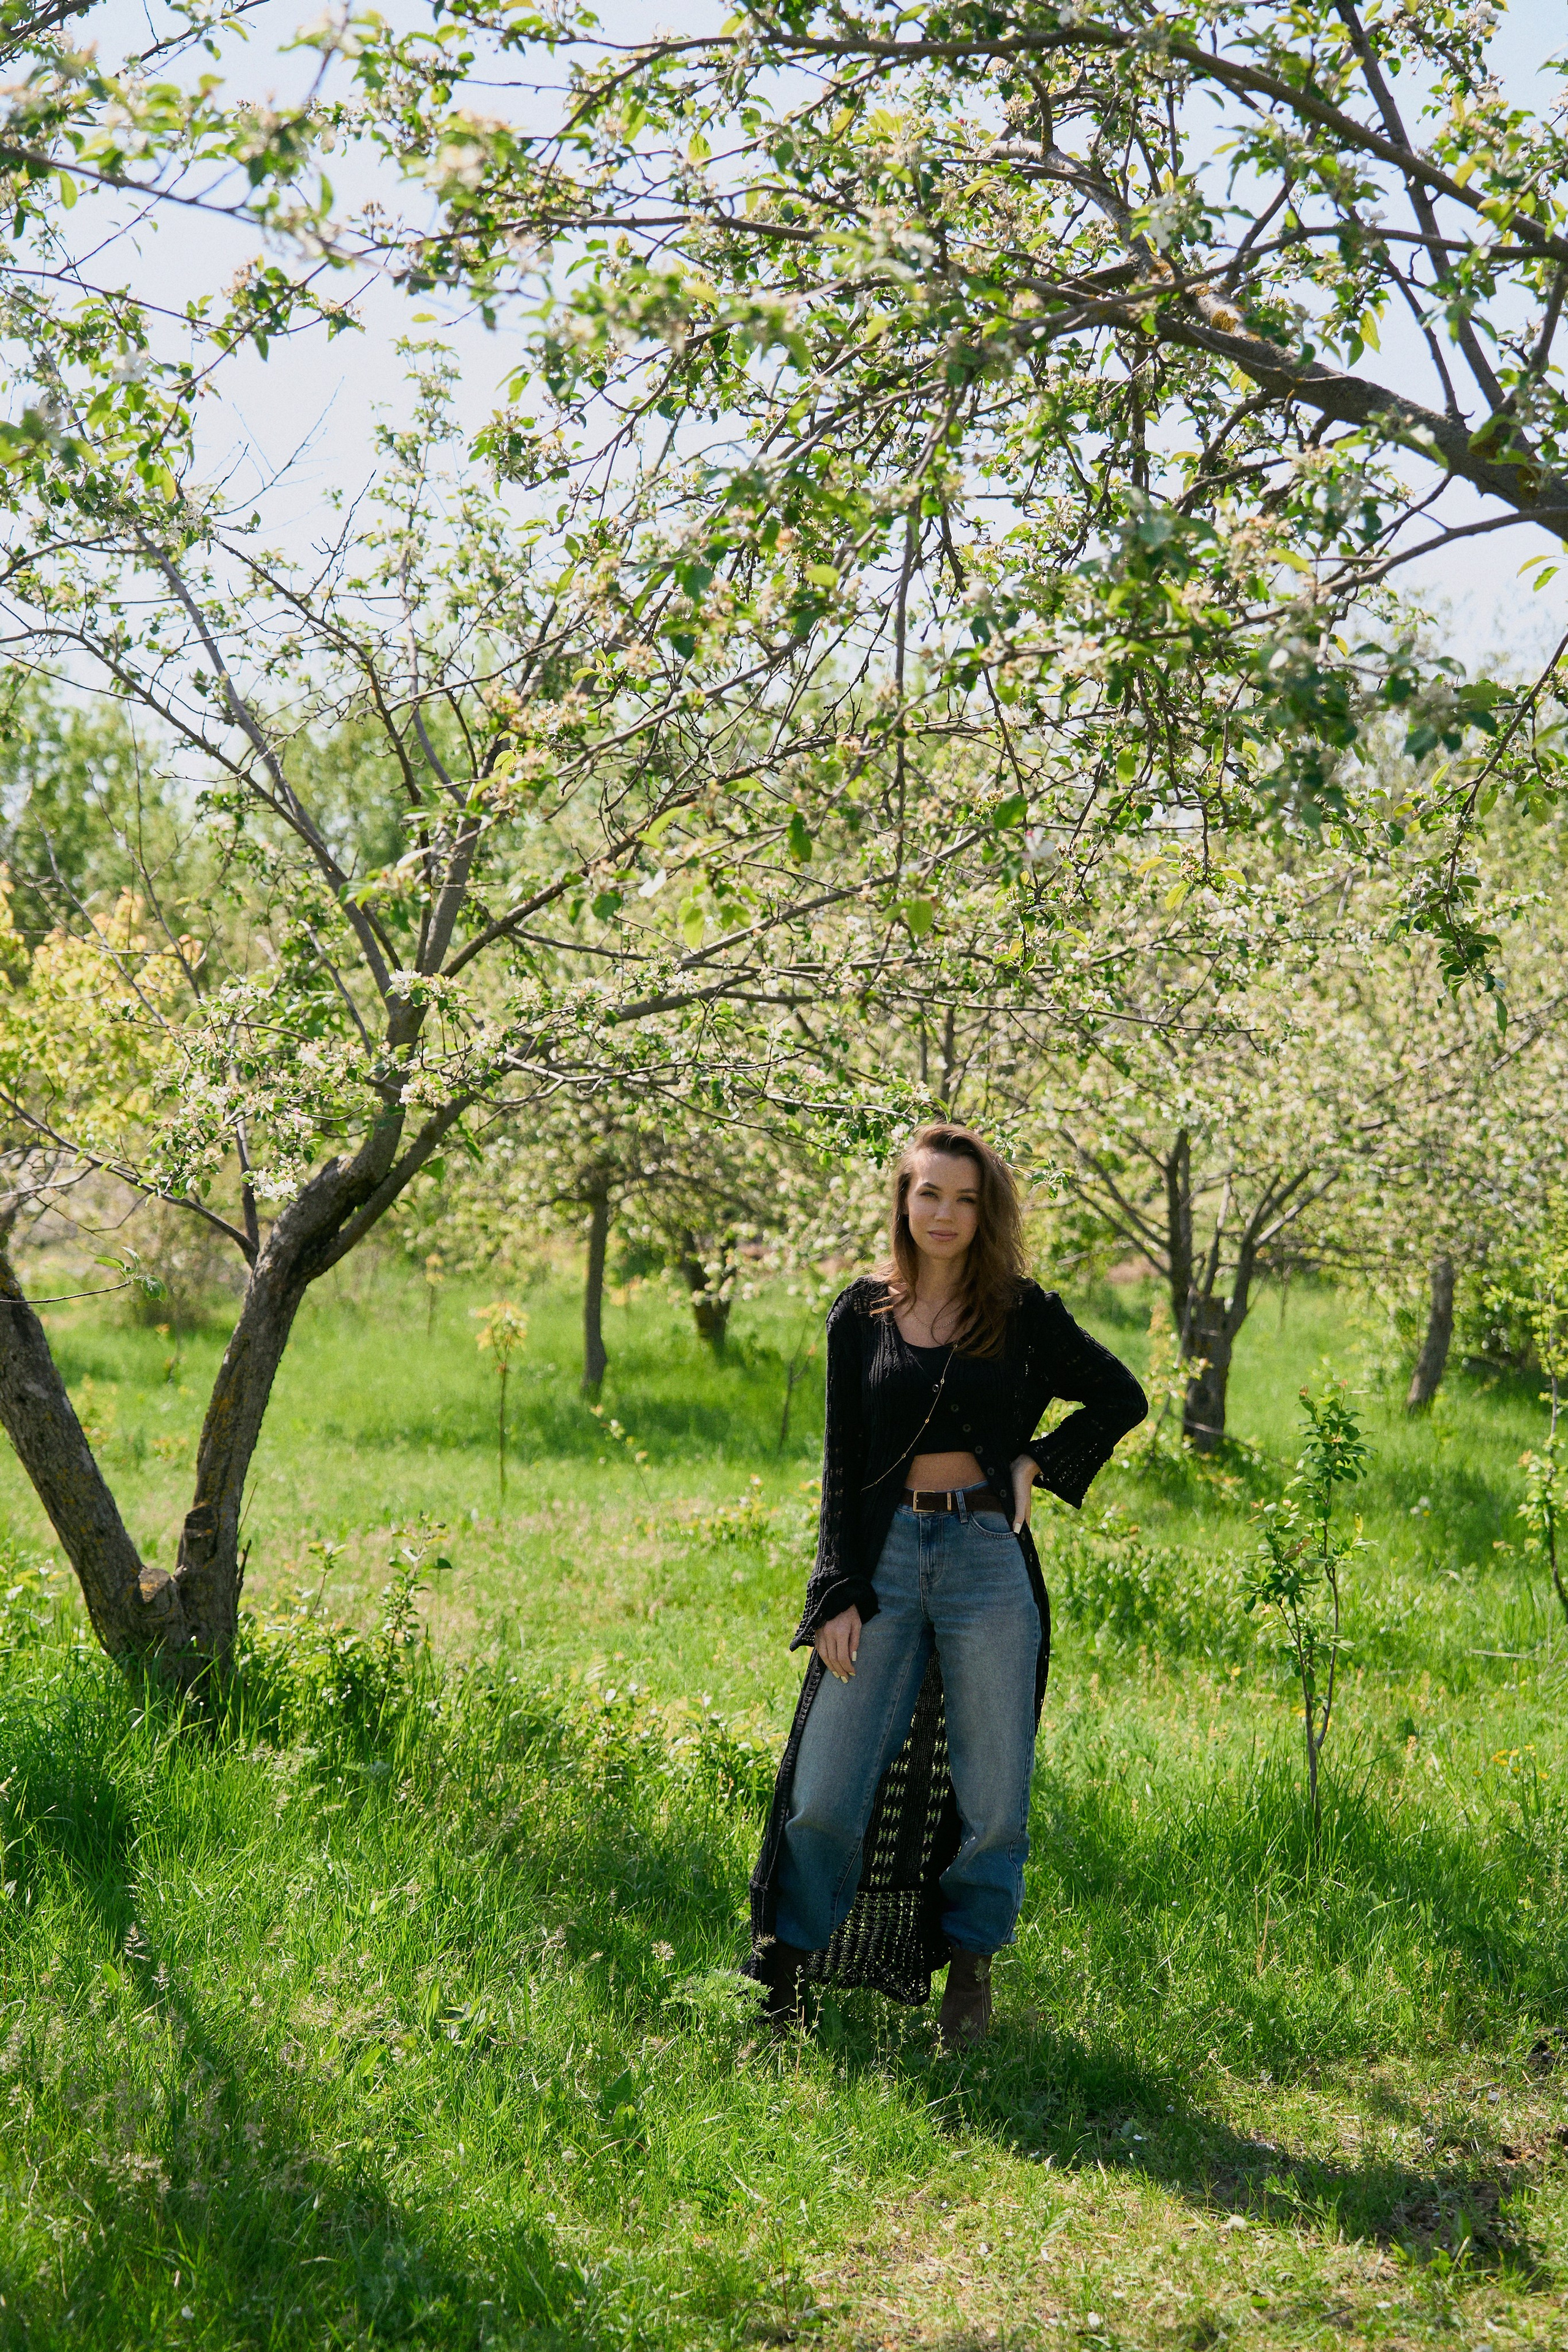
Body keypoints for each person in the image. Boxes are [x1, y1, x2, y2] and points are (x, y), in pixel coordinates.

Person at [744, 1122, 1147, 2045]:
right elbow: (842, 1466)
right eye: (930, 1193)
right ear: (903, 1199)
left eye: (966, 1199)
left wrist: (1037, 1464)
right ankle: (785, 1972)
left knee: (996, 1792)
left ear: (987, 1211)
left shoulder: (1020, 1312)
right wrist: (835, 1591)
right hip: (882, 1565)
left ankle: (970, 1968)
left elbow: (1121, 1395)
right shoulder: (860, 1316)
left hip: (983, 1560)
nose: (946, 1214)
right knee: (825, 1787)